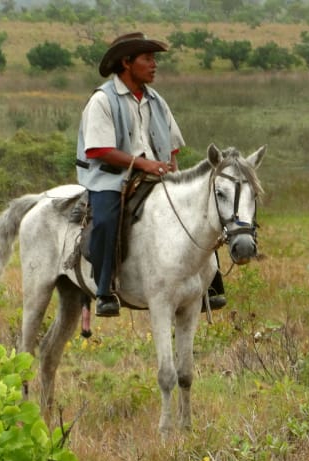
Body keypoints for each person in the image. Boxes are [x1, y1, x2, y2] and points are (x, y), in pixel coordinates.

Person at [76, 32, 226, 316]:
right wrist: (143, 164)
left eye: (154, 59)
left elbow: (171, 148)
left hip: (157, 176)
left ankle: (212, 284)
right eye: (147, 59)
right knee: (107, 219)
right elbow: (98, 150)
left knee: (203, 209)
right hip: (112, 177)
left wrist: (174, 175)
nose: (154, 65)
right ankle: (104, 288)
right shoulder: (102, 100)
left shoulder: (156, 100)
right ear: (127, 62)